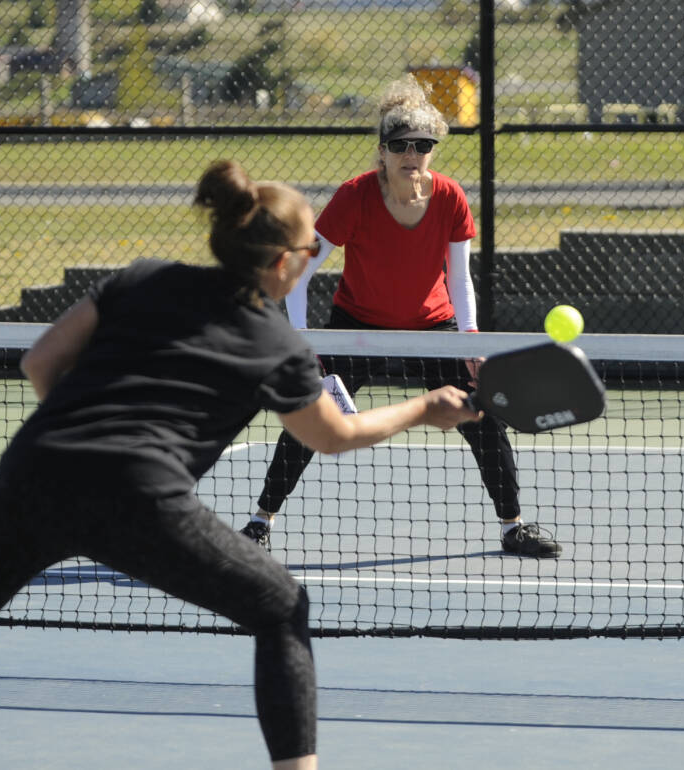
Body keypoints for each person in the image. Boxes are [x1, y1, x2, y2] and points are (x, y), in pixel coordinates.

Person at [0, 160, 478, 770]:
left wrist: (76, 449)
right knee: (281, 605)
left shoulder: (142, 277)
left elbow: (40, 361)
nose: (309, 260)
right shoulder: (276, 342)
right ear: (284, 264)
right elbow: (332, 436)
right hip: (138, 497)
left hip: (31, 474)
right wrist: (426, 408)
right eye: (307, 251)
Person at [239, 74, 561, 558]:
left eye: (422, 145)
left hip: (434, 327)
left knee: (482, 418)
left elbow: (459, 277)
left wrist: (469, 342)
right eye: (401, 146)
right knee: (311, 416)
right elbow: (299, 271)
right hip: (359, 325)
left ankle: (513, 526)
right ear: (383, 150)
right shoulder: (355, 196)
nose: (412, 155)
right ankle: (260, 522)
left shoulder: (450, 197)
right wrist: (306, 341)